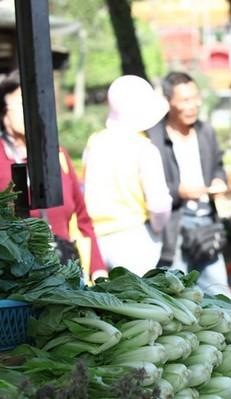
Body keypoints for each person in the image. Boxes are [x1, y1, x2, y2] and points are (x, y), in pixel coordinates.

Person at [0, 70, 107, 282]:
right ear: (3, 113)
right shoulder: (2, 159)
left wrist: (98, 269)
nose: (31, 112)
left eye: (36, 104)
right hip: (16, 283)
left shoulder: (56, 155)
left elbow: (83, 219)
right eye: (22, 105)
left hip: (65, 272)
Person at [148, 72, 231, 298]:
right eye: (185, 100)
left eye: (195, 98)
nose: (193, 106)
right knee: (177, 299)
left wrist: (218, 180)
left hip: (207, 223)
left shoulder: (206, 132)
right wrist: (179, 192)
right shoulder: (153, 137)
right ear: (168, 102)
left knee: (222, 298)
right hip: (174, 226)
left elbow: (218, 166)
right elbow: (148, 187)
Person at [82, 75, 172, 277]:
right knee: (135, 304)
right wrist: (157, 228)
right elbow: (158, 204)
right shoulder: (144, 148)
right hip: (134, 237)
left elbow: (83, 187)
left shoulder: (94, 142)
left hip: (95, 238)